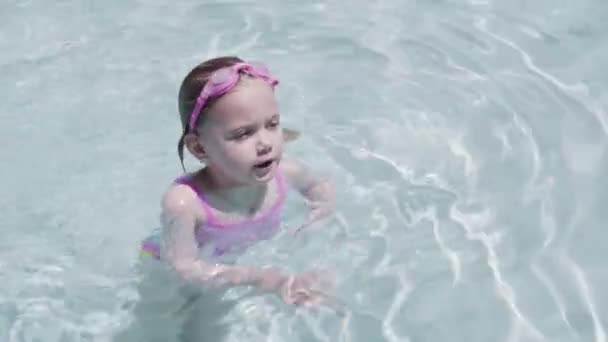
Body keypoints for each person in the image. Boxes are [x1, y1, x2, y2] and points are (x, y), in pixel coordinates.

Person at [141, 56, 336, 307]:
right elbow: (185, 270)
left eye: (272, 124)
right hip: (181, 277)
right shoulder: (185, 203)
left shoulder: (286, 173)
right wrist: (258, 277)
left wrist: (320, 216)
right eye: (244, 133)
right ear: (199, 148)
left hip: (240, 257)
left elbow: (320, 186)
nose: (266, 143)